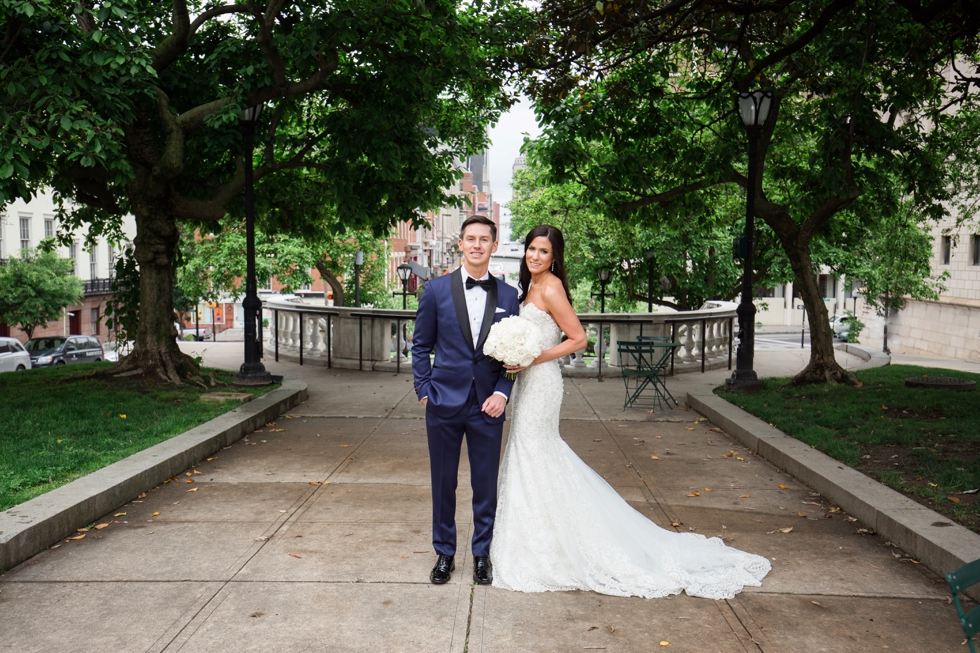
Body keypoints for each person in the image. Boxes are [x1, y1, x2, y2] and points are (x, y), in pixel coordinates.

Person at [490, 225, 771, 599]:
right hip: (528, 382)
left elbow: (579, 338)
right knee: (529, 454)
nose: (534, 256)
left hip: (542, 382)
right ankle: (536, 537)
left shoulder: (552, 286)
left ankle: (555, 544)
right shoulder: (530, 288)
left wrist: (533, 357)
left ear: (554, 256)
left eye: (543, 251)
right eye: (530, 249)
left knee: (534, 451)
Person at [411, 215, 521, 586]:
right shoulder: (436, 290)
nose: (477, 245)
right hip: (443, 402)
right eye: (470, 239)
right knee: (443, 482)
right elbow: (420, 345)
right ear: (460, 244)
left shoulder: (509, 296)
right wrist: (425, 390)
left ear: (494, 245)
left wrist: (503, 393)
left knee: (484, 483)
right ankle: (444, 553)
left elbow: (516, 353)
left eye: (484, 239)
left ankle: (482, 554)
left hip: (487, 405)